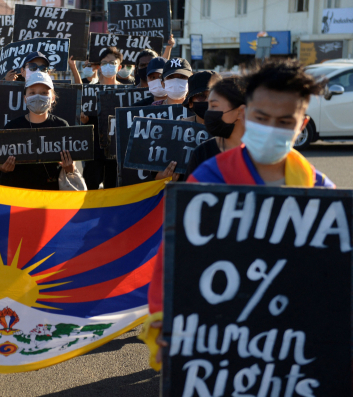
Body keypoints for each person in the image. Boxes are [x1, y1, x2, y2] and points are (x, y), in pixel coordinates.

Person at [140, 59, 334, 372]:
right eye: (261, 117)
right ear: (246, 115)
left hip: (288, 343)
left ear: (302, 124)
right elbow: (176, 254)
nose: (271, 128)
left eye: (284, 122)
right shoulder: (210, 177)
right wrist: (164, 318)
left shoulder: (321, 192)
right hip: (217, 334)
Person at [0, 71, 78, 190]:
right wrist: (3, 167)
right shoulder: (12, 127)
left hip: (50, 196)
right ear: (25, 98)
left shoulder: (61, 126)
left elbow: (72, 162)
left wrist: (70, 168)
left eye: (44, 93)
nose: (38, 97)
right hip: (17, 194)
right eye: (32, 93)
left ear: (53, 98)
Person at [184, 76, 246, 179]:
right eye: (208, 106)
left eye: (214, 106)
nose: (208, 112)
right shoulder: (202, 153)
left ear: (240, 112)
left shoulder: (259, 156)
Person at [79, 47, 123, 190]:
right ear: (99, 66)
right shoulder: (90, 91)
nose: (108, 66)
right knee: (91, 186)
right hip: (95, 150)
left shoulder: (127, 91)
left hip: (116, 150)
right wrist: (84, 121)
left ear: (119, 67)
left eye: (112, 63)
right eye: (104, 63)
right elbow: (87, 121)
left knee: (112, 188)